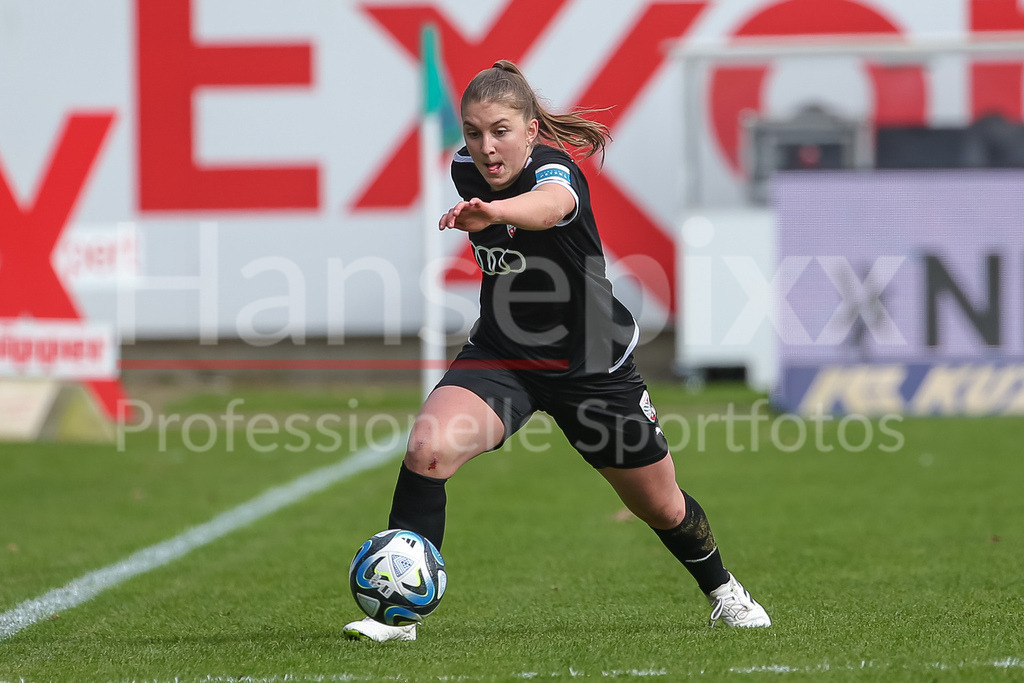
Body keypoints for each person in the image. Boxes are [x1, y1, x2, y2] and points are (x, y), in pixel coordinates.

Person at [344, 60, 770, 642]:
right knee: (426, 449)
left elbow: (549, 206)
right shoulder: (466, 170)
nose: (486, 148)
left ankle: (725, 591)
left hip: (592, 365)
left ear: (530, 129)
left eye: (500, 131)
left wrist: (494, 213)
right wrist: (488, 205)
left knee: (662, 508)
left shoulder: (555, 170)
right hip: (504, 354)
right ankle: (401, 616)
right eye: (473, 131)